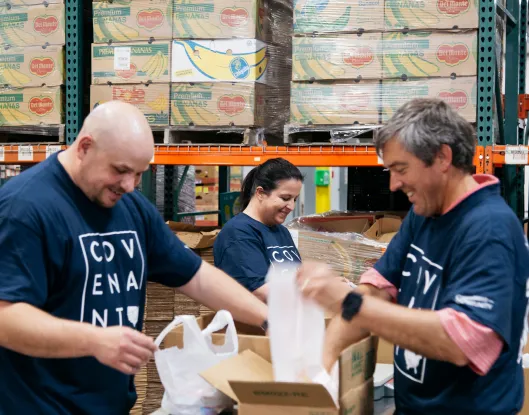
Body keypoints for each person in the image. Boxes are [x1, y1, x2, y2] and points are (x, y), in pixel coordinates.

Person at [0, 101, 268, 414]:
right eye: (121, 170)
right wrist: (94, 341)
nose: (129, 185)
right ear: (85, 147)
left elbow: (195, 275)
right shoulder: (25, 209)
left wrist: (265, 317)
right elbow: (5, 318)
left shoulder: (130, 207)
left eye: (140, 174)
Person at [297, 98, 529, 415]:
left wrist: (349, 303)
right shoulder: (425, 212)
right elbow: (378, 288)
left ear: (442, 157)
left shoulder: (489, 228)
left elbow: (462, 342)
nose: (394, 184)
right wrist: (325, 364)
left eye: (401, 169)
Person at [214, 158, 303, 302]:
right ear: (260, 193)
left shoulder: (281, 231)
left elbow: (295, 278)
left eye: (295, 199)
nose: (291, 206)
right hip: (256, 323)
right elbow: (259, 291)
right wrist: (318, 292)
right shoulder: (238, 233)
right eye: (285, 198)